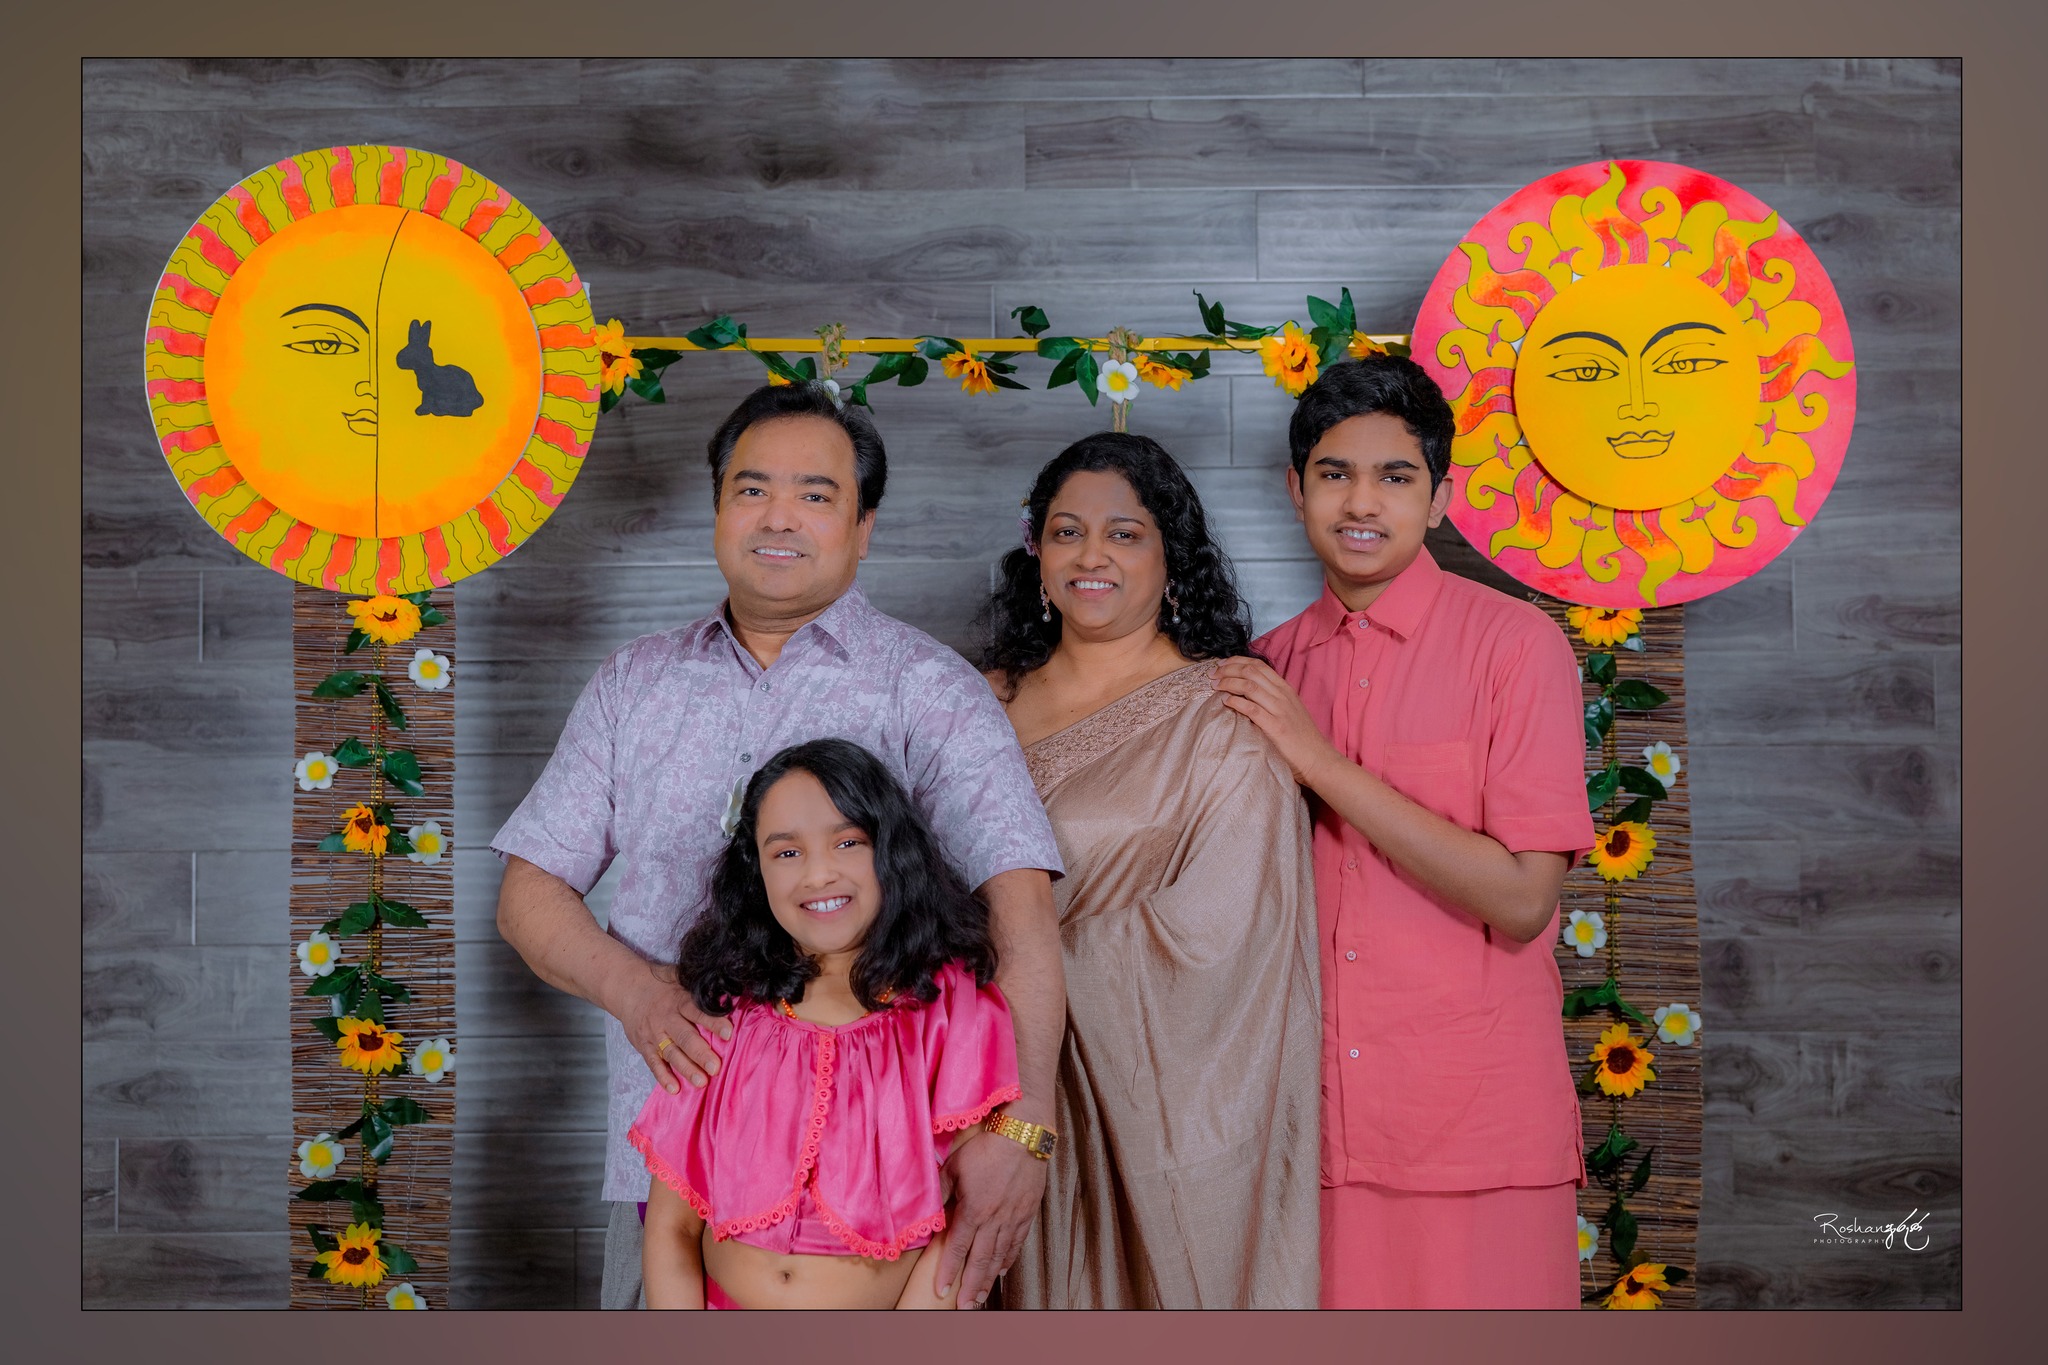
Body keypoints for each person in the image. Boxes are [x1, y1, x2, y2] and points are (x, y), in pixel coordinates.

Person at [492, 382, 1066, 1310]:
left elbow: (1021, 912)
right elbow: (529, 893)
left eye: (816, 493)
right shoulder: (634, 683)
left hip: (888, 1186)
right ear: (718, 509)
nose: (779, 517)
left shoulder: (928, 689)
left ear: (865, 526)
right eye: (752, 489)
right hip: (672, 1157)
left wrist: (1025, 1125)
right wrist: (639, 994)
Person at [1211, 356, 1598, 1309]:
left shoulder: (1515, 646)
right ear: (1296, 490)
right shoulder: (1266, 669)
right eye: (1335, 473)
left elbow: (1523, 898)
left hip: (1479, 1131)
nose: (1361, 502)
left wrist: (1320, 762)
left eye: (1395, 475)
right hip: (1312, 1134)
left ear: (1440, 497)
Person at [978, 431, 1321, 1310]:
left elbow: (1227, 942)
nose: (1091, 555)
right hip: (963, 1096)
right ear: (1037, 553)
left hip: (1134, 1112)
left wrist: (1015, 978)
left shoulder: (1224, 717)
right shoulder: (976, 702)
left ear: (1172, 559)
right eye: (1067, 532)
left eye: (1124, 534)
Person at [635, 739, 1020, 1309]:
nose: (818, 874)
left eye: (847, 842)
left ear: (892, 850)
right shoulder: (727, 1014)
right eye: (787, 852)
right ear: (756, 873)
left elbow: (966, 1221)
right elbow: (671, 1226)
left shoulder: (946, 1009)